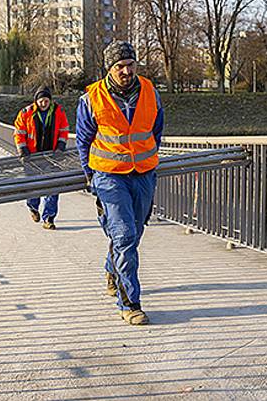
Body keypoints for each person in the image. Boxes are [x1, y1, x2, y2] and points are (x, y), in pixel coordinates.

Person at [76, 41, 164, 325]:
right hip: (109, 175)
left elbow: (156, 129)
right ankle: (130, 303)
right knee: (125, 235)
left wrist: (148, 158)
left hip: (143, 174)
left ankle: (111, 269)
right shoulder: (91, 99)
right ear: (109, 69)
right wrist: (90, 176)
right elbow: (83, 140)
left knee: (134, 233)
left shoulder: (151, 92)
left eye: (130, 65)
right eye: (119, 67)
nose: (126, 71)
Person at [14, 86, 70, 230]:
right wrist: (22, 148)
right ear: (36, 101)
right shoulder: (26, 113)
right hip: (31, 156)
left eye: (46, 100)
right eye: (41, 101)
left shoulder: (59, 112)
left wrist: (61, 146)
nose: (44, 103)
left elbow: (64, 130)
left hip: (52, 156)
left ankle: (49, 218)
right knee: (34, 186)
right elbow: (19, 132)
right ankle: (33, 207)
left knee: (53, 186)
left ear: (50, 101)